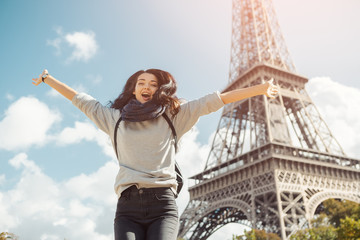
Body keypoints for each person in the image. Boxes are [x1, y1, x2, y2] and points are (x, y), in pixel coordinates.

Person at [32, 69, 278, 240]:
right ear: (133, 89)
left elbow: (215, 101)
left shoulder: (174, 116)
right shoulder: (115, 119)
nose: (146, 87)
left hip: (162, 205)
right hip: (127, 207)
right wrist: (48, 79)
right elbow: (81, 100)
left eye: (152, 84)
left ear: (160, 90)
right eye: (141, 83)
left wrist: (260, 88)